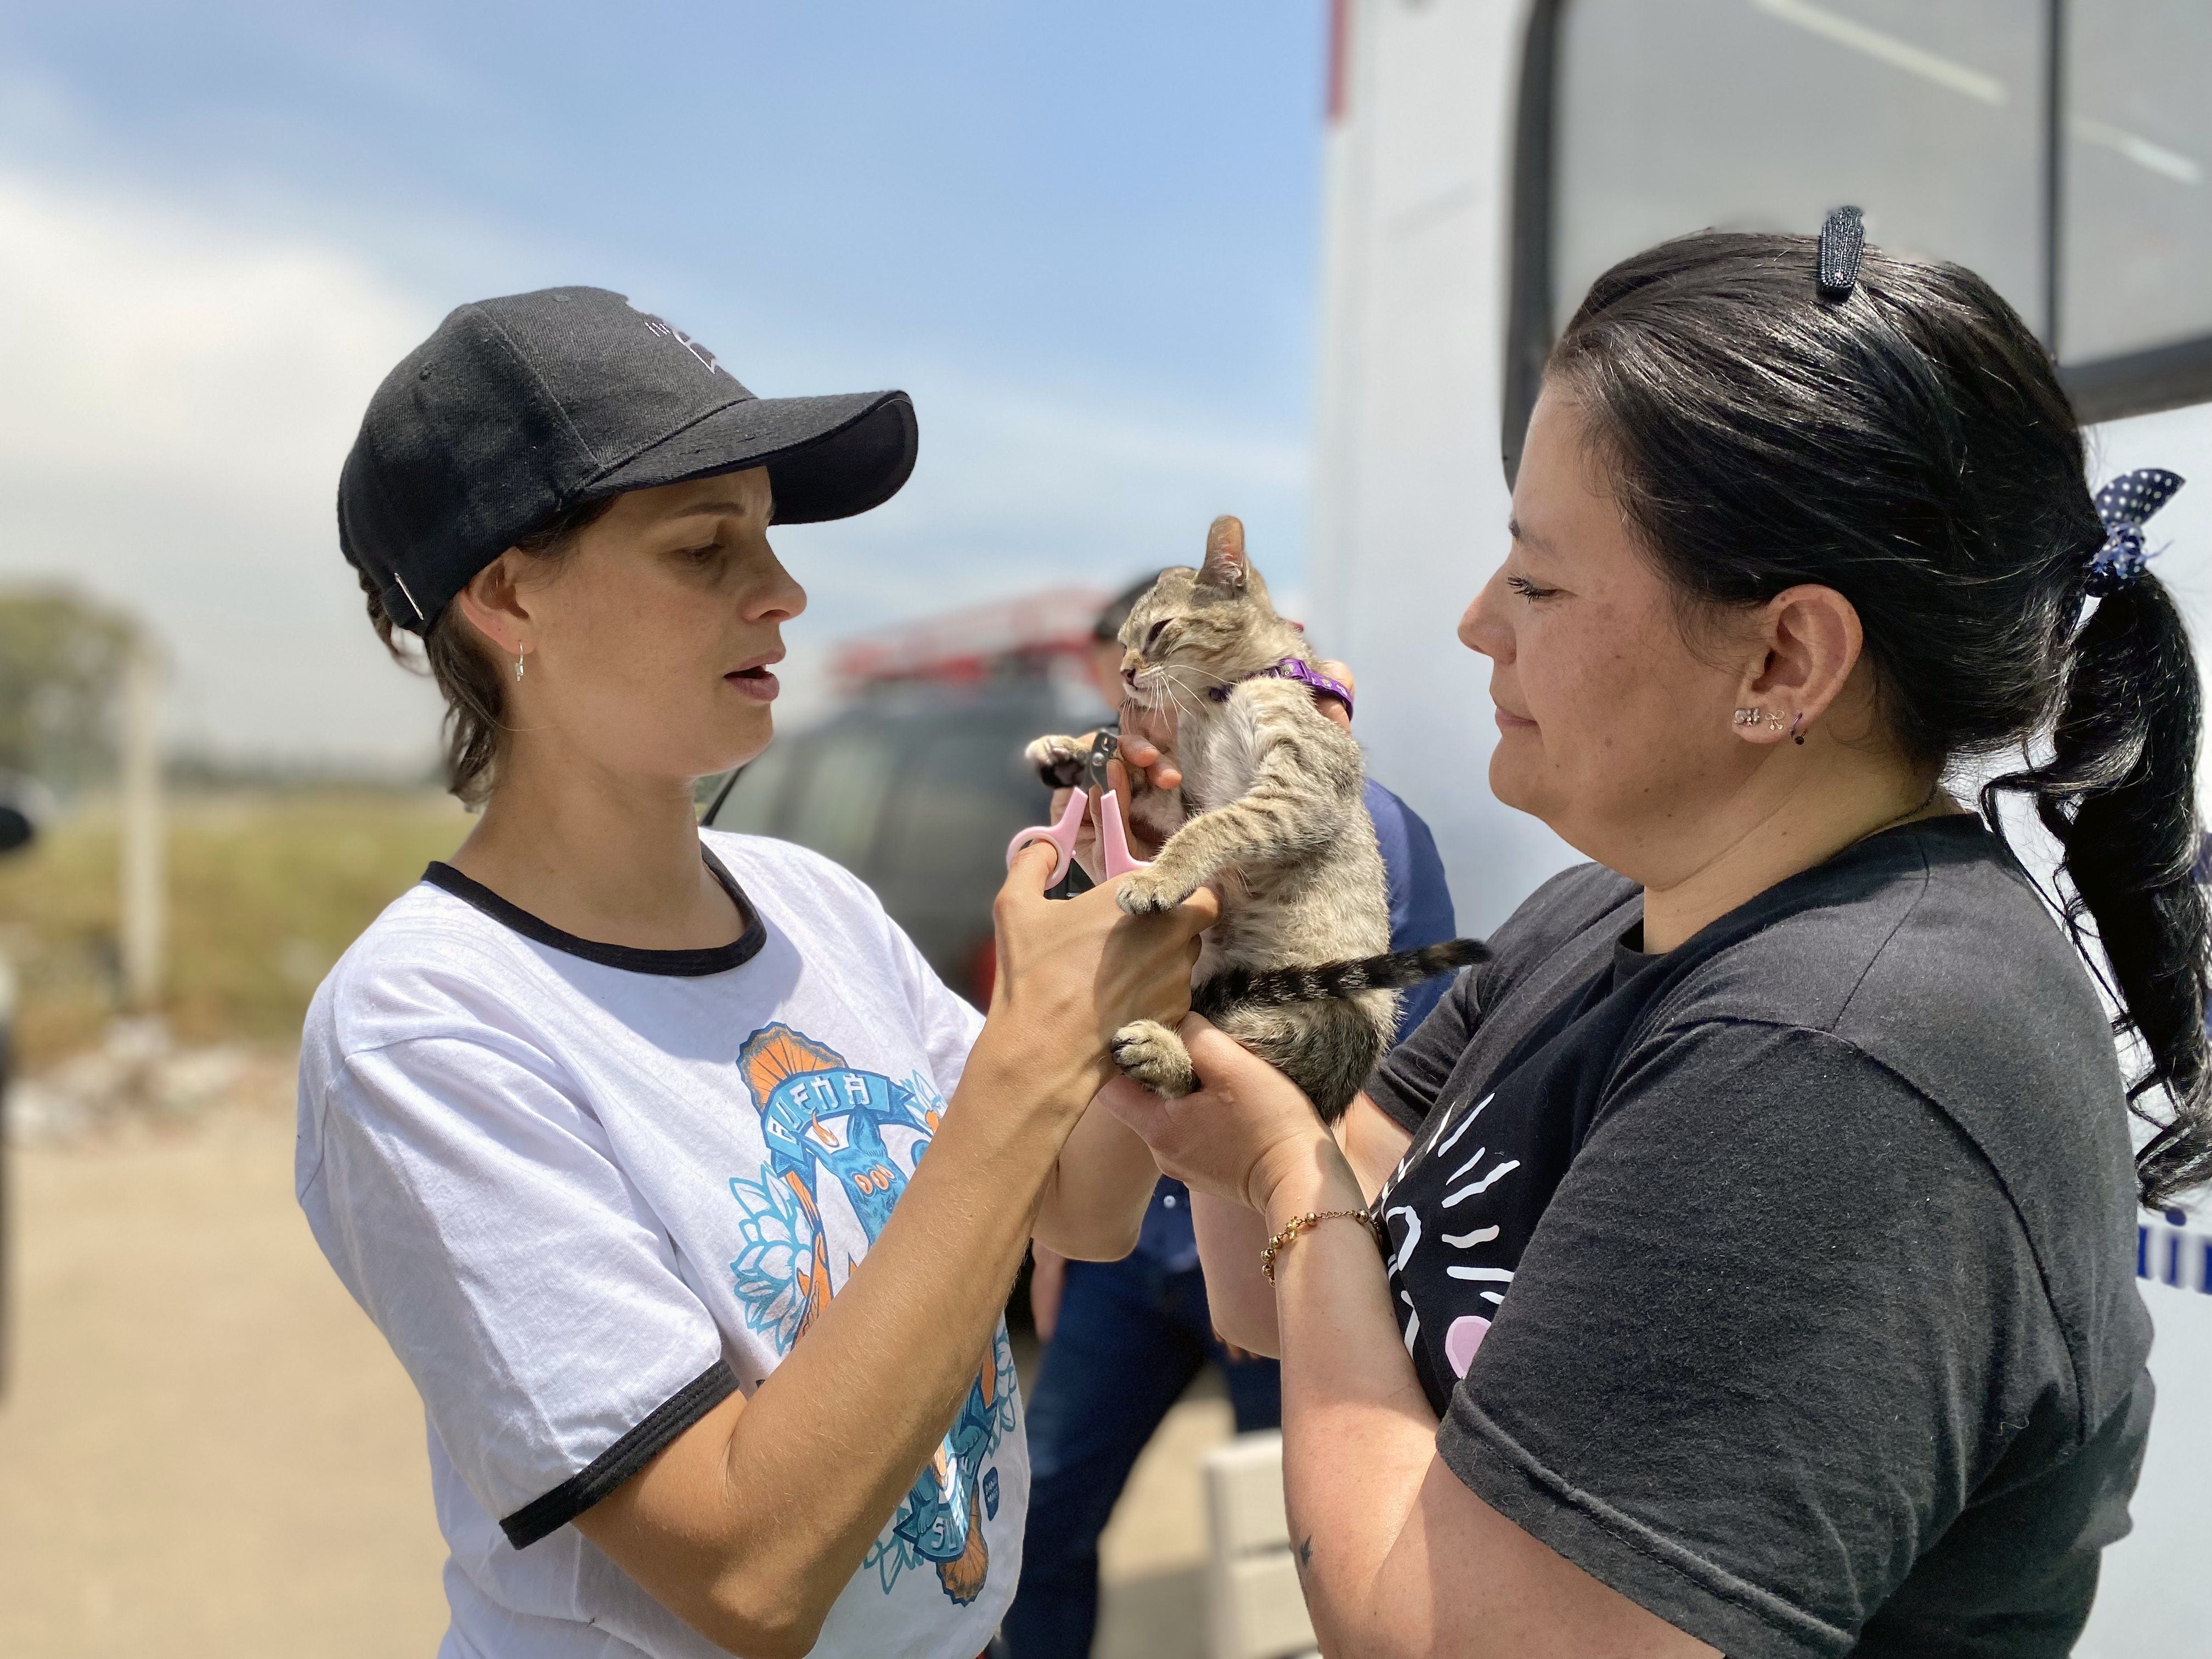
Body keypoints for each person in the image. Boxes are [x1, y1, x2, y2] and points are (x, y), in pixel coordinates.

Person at [1102, 228, 2212, 1656]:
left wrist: (1279, 1166)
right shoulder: (1605, 912)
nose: (1475, 624)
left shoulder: (1834, 1065)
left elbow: (1450, 1635)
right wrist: (1232, 1109)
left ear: (1781, 662)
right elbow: (1280, 1309)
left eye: (1540, 582)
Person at [295, 286, 1216, 1659]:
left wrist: (1150, 962)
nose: (780, 590)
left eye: (769, 539)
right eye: (700, 547)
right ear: (506, 595)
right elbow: (750, 1573)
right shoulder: (430, 1026)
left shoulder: (814, 906)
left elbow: (1078, 1207)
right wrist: (1031, 1047)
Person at [1006, 578, 1459, 1658]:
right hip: (1134, 1252)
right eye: (1114, 681)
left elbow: (1392, 1088)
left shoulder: (1357, 828)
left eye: (1142, 683)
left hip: (1269, 1224)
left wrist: (1282, 1261)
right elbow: (1095, 1033)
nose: (1127, 707)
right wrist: (1063, 1229)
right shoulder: (1128, 825)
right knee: (1040, 1518)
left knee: (1305, 1552)